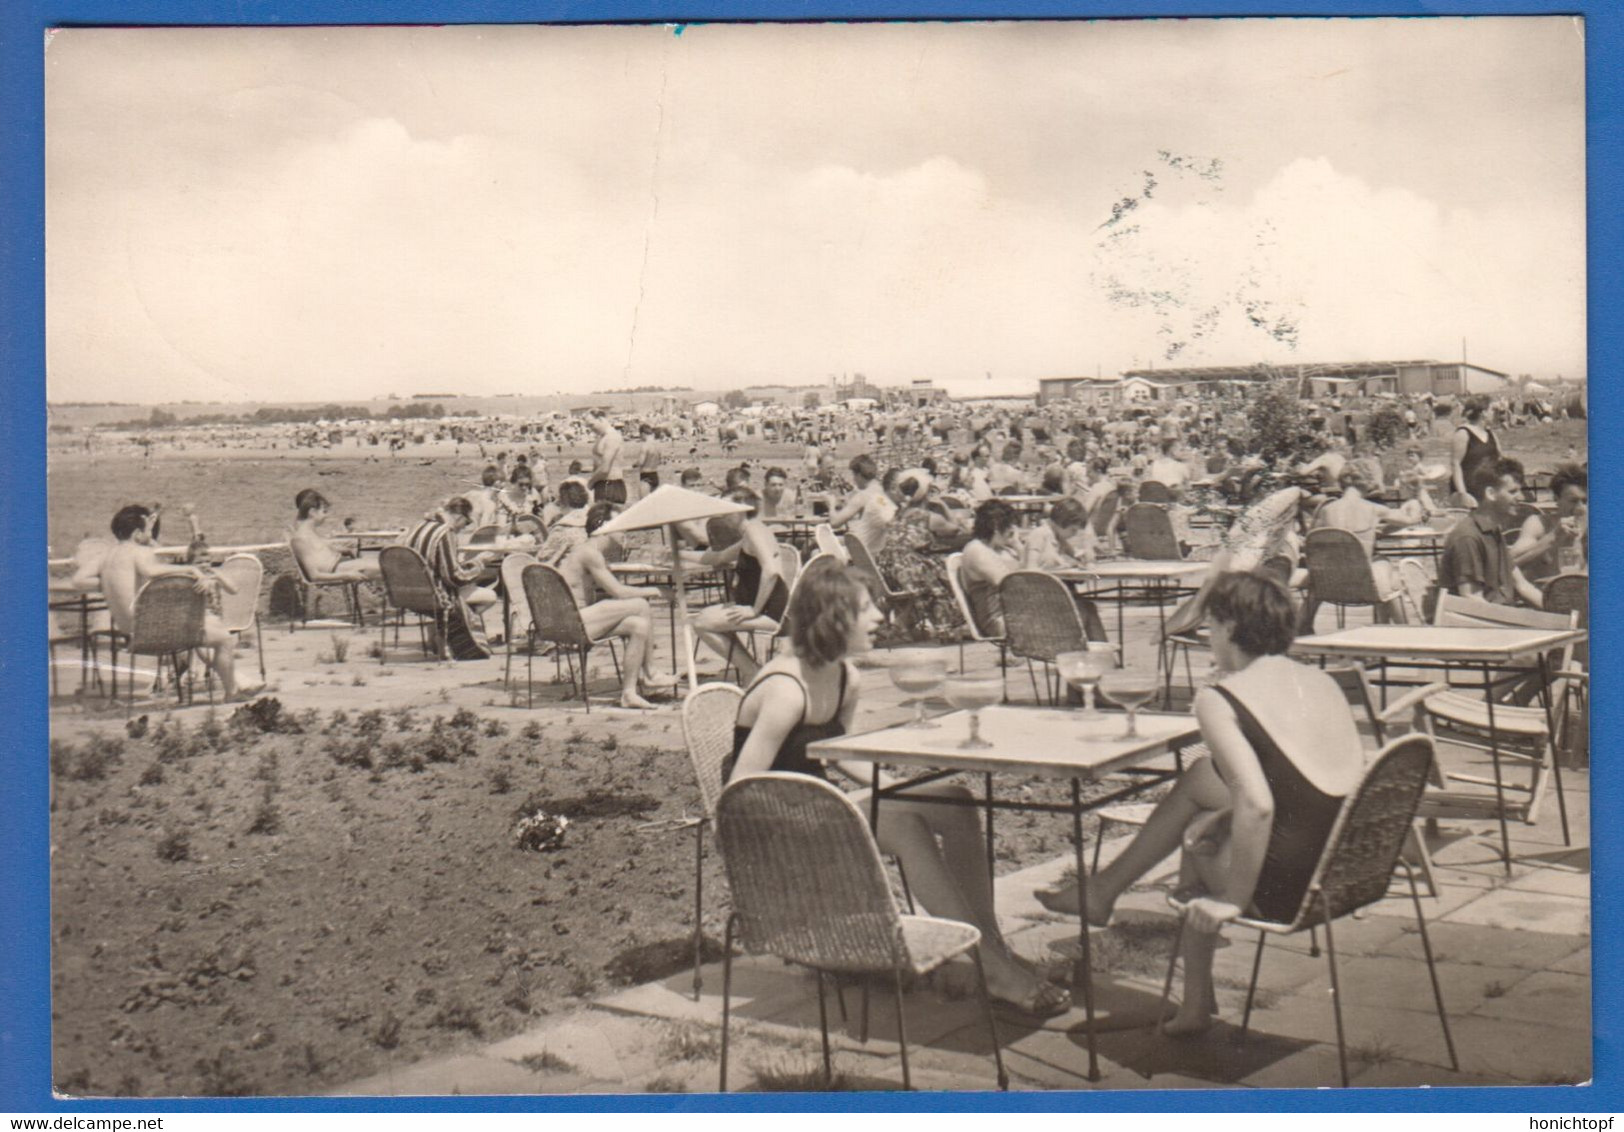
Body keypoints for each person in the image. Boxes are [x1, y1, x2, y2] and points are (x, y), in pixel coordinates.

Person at [727, 558, 1070, 1018]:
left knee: (953, 800)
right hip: (778, 823)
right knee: (907, 827)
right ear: (834, 617)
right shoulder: (787, 689)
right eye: (867, 608)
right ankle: (994, 970)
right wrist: (866, 810)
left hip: (821, 808)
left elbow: (837, 755)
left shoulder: (845, 675)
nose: (880, 619)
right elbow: (741, 791)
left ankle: (992, 947)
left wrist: (896, 790)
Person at [1038, 571, 1364, 1035]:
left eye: (1208, 627)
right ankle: (1186, 996)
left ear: (1228, 627)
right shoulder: (1320, 682)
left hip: (1287, 889)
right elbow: (1318, 780)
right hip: (1344, 867)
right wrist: (1225, 813)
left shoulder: (1222, 697)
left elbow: (1259, 804)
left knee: (1199, 838)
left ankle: (1112, 902)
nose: (1208, 637)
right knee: (1202, 789)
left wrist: (1234, 899)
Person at [100, 504, 249, 700]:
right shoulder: (139, 552)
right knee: (223, 638)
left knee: (208, 623)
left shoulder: (108, 557)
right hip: (152, 632)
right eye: (148, 529)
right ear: (137, 533)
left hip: (129, 631)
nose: (150, 533)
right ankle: (232, 692)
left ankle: (234, 681)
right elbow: (151, 571)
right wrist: (190, 570)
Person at [557, 502, 680, 709]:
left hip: (571, 620)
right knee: (640, 605)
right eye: (621, 526)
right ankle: (650, 672)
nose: (625, 532)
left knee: (638, 625)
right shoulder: (590, 553)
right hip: (572, 622)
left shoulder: (586, 551)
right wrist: (658, 591)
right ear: (605, 526)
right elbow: (619, 592)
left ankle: (628, 694)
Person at [691, 489, 790, 678]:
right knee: (705, 616)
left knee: (702, 623)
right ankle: (754, 671)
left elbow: (771, 571)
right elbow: (718, 556)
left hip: (770, 611)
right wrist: (676, 555)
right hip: (765, 606)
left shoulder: (753, 531)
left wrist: (754, 610)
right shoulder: (752, 530)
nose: (723, 514)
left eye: (727, 508)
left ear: (744, 509)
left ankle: (752, 673)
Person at [403, 496, 501, 658]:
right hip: (436, 596)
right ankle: (447, 635)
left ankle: (437, 629)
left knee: (469, 592)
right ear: (459, 517)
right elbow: (455, 578)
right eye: (467, 522)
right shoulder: (445, 533)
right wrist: (479, 563)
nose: (464, 528)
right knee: (489, 596)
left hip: (409, 594)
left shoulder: (420, 526)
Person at [1438, 460, 1544, 607]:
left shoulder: (1493, 531)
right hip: (1478, 624)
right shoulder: (1468, 537)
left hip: (1498, 616)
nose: (1522, 498)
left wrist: (1558, 613)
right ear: (1491, 494)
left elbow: (1521, 585)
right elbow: (1472, 601)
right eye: (1512, 491)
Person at [873, 475, 964, 644]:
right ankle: (947, 625)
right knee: (945, 572)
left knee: (934, 566)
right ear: (926, 494)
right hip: (908, 571)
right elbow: (956, 530)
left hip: (888, 569)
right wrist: (942, 504)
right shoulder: (929, 517)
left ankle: (903, 625)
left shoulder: (898, 514)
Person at [1513, 464, 1587, 582]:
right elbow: (1510, 562)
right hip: (1543, 595)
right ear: (1556, 499)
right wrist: (1553, 537)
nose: (1581, 508)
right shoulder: (1537, 524)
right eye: (1573, 501)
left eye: (1585, 501)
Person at [958, 499, 1022, 637]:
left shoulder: (1000, 548)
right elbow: (1010, 585)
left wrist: (1017, 544)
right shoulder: (977, 550)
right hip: (998, 621)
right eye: (1009, 532)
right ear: (996, 528)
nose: (1011, 536)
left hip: (1015, 614)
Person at [290, 489, 382, 583]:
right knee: (388, 567)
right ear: (312, 512)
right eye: (324, 511)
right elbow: (314, 576)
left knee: (385, 562)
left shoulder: (309, 533)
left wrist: (341, 549)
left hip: (341, 565)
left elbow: (320, 554)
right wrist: (346, 575)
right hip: (339, 569)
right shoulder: (300, 539)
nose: (326, 516)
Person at [828, 454, 897, 555]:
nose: (854, 480)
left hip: (860, 552)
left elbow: (834, 523)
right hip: (874, 548)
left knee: (814, 545)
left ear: (859, 475)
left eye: (854, 476)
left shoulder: (863, 496)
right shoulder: (881, 492)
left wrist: (831, 503)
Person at [1451, 395, 1501, 505]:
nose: (1494, 413)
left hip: (1489, 487)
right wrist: (1462, 493)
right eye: (1491, 409)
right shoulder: (1463, 433)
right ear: (1483, 412)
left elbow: (1500, 459)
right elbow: (1455, 464)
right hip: (1470, 489)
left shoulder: (1491, 434)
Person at [537, 481, 591, 566]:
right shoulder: (592, 521)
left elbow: (543, 558)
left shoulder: (563, 528)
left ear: (561, 501)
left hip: (567, 573)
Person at [588, 412, 628, 504]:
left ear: (601, 419)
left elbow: (605, 469)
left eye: (592, 425)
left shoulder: (612, 437)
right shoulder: (602, 437)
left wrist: (590, 483)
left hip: (610, 484)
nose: (591, 429)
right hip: (604, 484)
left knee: (607, 517)